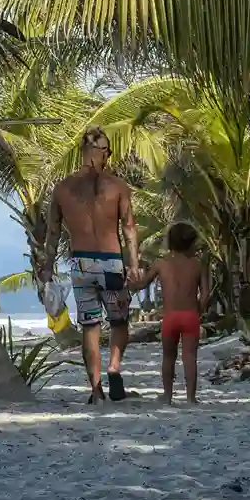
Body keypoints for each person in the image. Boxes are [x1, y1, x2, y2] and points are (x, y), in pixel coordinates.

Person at [37, 126, 140, 403]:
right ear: (101, 152)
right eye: (108, 151)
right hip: (111, 263)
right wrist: (134, 264)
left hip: (81, 265)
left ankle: (96, 391)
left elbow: (53, 233)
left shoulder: (62, 189)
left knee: (90, 327)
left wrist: (47, 267)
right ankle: (114, 367)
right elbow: (129, 228)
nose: (109, 157)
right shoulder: (117, 187)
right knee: (119, 322)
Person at [128, 222, 211, 404]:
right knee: (190, 357)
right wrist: (199, 310)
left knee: (168, 357)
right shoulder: (198, 265)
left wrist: (130, 281)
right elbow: (205, 294)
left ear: (170, 242)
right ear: (191, 243)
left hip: (170, 317)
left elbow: (141, 284)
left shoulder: (161, 264)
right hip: (190, 316)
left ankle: (167, 395)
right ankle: (191, 398)